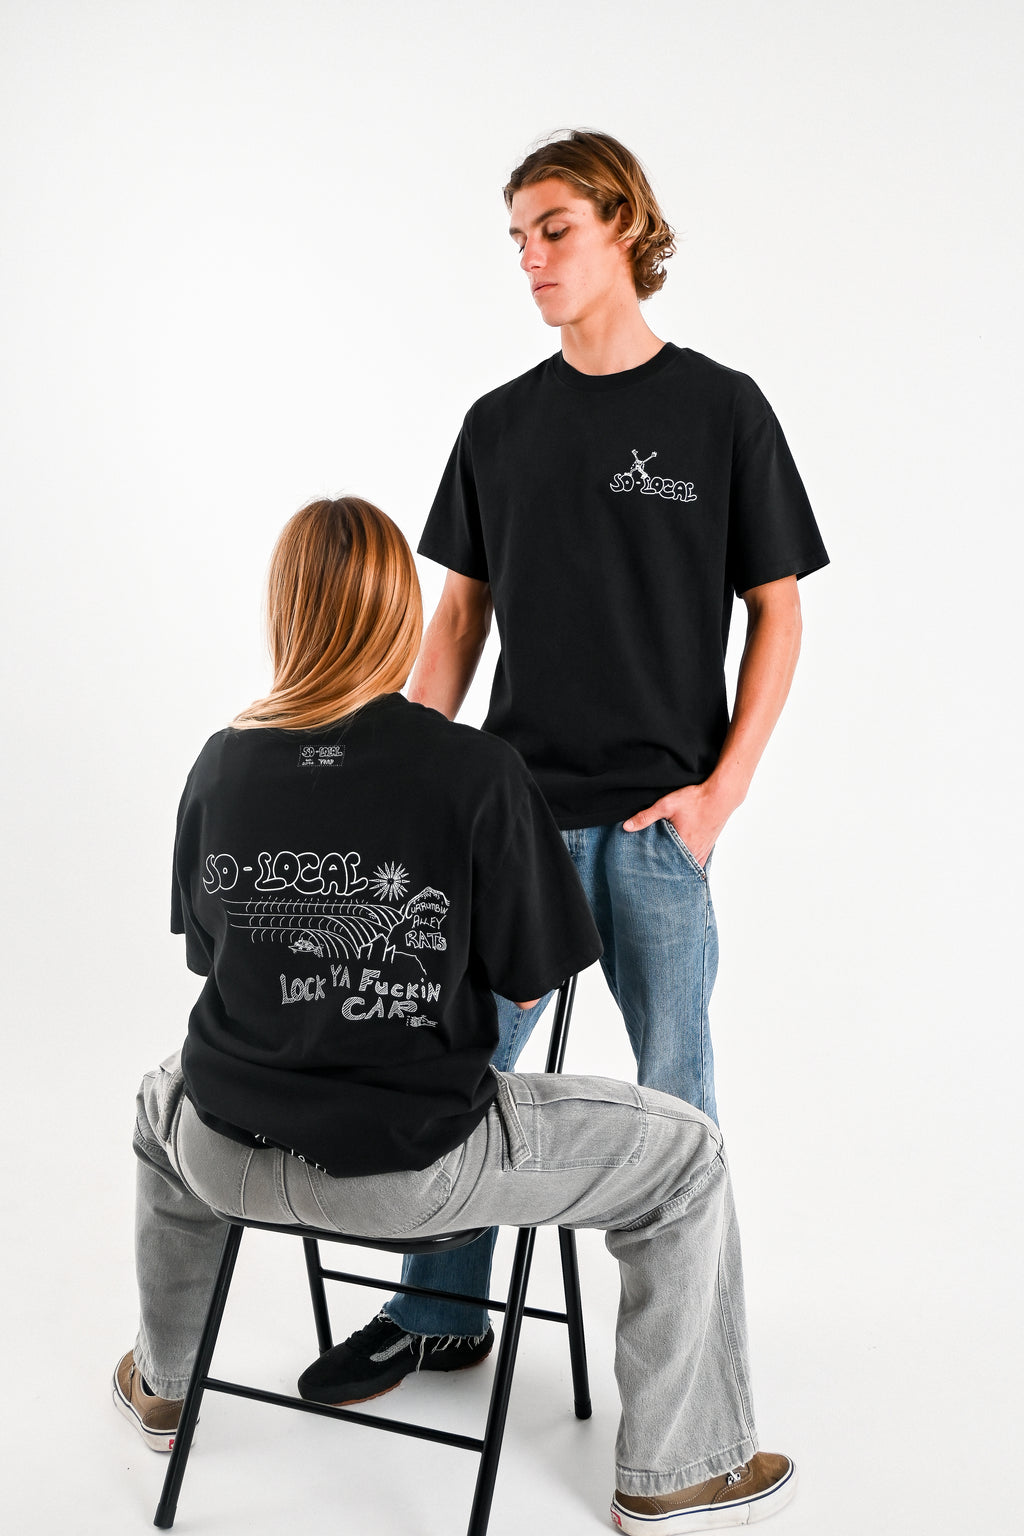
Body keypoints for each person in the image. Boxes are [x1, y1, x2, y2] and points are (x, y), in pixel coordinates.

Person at [113, 497, 797, 1533]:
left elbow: (220, 958)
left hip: (231, 1156)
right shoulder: (474, 770)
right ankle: (680, 1471)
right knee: (687, 1155)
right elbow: (531, 982)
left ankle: (167, 1386)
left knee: (161, 1097)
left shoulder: (220, 761)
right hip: (409, 1180)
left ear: (282, 611)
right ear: (401, 614)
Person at [334, 129, 830, 1396]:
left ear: (622, 224)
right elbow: (456, 622)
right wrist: (410, 778)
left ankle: (687, 1375)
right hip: (513, 820)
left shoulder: (719, 408)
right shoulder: (499, 425)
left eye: (553, 228)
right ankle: (439, 1309)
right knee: (464, 1071)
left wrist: (723, 793)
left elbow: (778, 606)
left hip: (661, 828)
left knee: (677, 1100)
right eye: (517, 238)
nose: (532, 258)